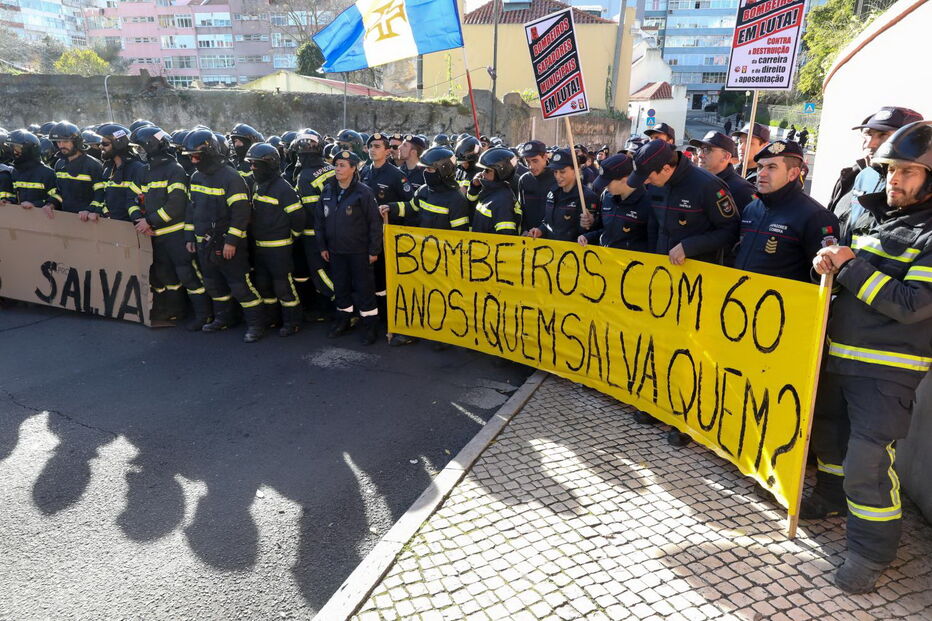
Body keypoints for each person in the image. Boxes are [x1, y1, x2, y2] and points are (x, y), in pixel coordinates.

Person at [808, 120, 932, 594]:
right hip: (841, 359)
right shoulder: (878, 216)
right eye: (891, 170)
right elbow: (846, 270)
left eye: (908, 171)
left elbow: (910, 304)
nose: (894, 180)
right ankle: (830, 497)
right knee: (830, 442)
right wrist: (827, 261)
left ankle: (870, 552)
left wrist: (849, 265)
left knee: (868, 464)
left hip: (887, 374)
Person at [628, 139, 739, 445]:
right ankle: (659, 405)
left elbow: (730, 230)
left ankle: (687, 419)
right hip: (664, 280)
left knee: (691, 354)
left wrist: (691, 246)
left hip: (699, 284)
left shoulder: (707, 186)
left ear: (667, 167)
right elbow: (657, 224)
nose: (647, 182)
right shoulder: (655, 180)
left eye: (651, 175)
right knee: (662, 345)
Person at [182, 129, 265, 342]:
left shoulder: (232, 178)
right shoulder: (196, 177)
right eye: (190, 156)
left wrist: (231, 241)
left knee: (240, 285)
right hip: (204, 244)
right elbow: (192, 209)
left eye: (196, 156)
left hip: (228, 245)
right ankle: (223, 318)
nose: (192, 160)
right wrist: (190, 237)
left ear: (210, 152)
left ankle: (256, 325)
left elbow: (241, 214)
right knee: (212, 283)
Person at [132, 126, 211, 329]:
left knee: (188, 276)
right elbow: (135, 199)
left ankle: (204, 315)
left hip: (175, 235)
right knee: (166, 276)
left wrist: (149, 221)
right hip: (155, 235)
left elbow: (176, 205)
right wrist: (139, 220)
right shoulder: (145, 170)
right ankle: (177, 311)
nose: (139, 152)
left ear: (153, 145)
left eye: (141, 147)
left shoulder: (174, 170)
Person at [733, 140, 839, 281]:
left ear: (793, 173)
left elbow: (826, 277)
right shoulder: (751, 208)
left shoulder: (816, 217)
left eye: (771, 167)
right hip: (740, 297)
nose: (761, 173)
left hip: (780, 301)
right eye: (760, 167)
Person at [315, 150, 383, 345]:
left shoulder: (364, 193)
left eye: (343, 165)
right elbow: (319, 221)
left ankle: (370, 327)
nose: (337, 168)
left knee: (365, 290)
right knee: (341, 288)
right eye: (336, 165)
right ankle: (343, 321)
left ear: (354, 168)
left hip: (359, 252)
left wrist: (373, 250)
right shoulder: (328, 190)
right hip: (336, 251)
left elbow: (374, 224)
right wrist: (322, 247)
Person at [832, 107, 923, 244]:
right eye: (868, 134)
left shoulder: (922, 184)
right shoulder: (861, 175)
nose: (870, 143)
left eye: (883, 135)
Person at [245, 142, 306, 337]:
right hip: (260, 247)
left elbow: (298, 217)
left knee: (283, 286)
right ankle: (273, 318)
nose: (253, 168)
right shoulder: (258, 185)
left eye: (257, 164)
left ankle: (292, 321)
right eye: (251, 164)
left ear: (270, 164)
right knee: (263, 285)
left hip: (279, 249)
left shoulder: (283, 188)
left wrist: (292, 237)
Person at [291, 129, 337, 322]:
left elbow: (311, 210)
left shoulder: (305, 175)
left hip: (314, 234)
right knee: (335, 270)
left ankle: (344, 305)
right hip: (337, 229)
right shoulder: (330, 167)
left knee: (320, 274)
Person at [578, 153, 652, 252]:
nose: (605, 186)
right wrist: (588, 235)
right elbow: (606, 230)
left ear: (625, 180)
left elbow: (652, 241)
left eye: (608, 183)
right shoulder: (606, 197)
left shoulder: (648, 204)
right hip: (605, 261)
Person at [526, 148, 598, 242]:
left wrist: (590, 224)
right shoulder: (552, 193)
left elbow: (594, 233)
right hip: (552, 251)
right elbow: (548, 222)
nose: (558, 176)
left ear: (575, 170)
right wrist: (540, 230)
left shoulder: (587, 197)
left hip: (573, 253)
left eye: (562, 172)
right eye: (555, 172)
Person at [48, 121, 105, 219]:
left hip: (89, 220)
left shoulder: (93, 165)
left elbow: (101, 195)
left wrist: (89, 210)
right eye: (58, 142)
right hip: (67, 219)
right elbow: (60, 192)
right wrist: (51, 204)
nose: (61, 145)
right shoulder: (59, 164)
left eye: (65, 141)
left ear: (76, 142)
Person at [689, 131, 757, 212]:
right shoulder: (695, 181)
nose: (700, 155)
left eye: (707, 150)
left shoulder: (743, 190)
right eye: (699, 149)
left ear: (726, 156)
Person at [97, 124, 146, 222]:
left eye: (105, 143)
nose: (101, 146)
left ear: (118, 144)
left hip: (133, 228)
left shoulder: (138, 168)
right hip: (112, 225)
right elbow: (104, 197)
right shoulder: (108, 168)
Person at [7, 129, 59, 218]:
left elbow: (57, 199)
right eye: (12, 147)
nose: (14, 152)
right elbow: (15, 195)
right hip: (21, 219)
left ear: (30, 150)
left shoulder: (48, 173)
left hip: (43, 221)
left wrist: (35, 205)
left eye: (18, 148)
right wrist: (9, 201)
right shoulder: (15, 171)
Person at [471, 147, 520, 235]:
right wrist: (474, 186)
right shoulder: (491, 192)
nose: (482, 173)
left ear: (501, 172)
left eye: (487, 170)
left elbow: (506, 239)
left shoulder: (503, 201)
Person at [516, 140, 553, 234]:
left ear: (545, 157)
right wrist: (523, 229)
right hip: (528, 237)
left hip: (552, 239)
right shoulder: (524, 180)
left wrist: (542, 229)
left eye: (535, 161)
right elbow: (521, 210)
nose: (530, 166)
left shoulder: (557, 179)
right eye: (527, 161)